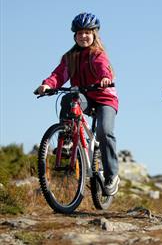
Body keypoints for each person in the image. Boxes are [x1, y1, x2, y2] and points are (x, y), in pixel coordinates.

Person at [35, 12, 120, 196]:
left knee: (104, 132)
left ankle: (112, 175)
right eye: (80, 33)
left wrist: (105, 78)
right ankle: (66, 140)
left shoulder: (98, 55)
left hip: (105, 98)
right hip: (84, 97)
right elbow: (59, 75)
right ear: (75, 36)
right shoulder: (69, 57)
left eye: (87, 33)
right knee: (68, 99)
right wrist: (47, 85)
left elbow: (103, 68)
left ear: (94, 34)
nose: (83, 36)